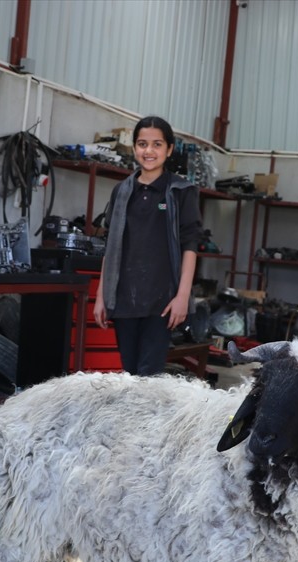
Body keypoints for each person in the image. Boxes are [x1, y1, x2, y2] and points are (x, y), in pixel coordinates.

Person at [94, 116, 202, 376]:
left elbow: (191, 244)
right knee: (130, 373)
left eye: (157, 144)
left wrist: (183, 297)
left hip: (161, 301)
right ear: (134, 148)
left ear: (169, 149)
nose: (149, 151)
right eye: (142, 144)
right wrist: (101, 296)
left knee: (149, 376)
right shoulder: (122, 191)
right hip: (124, 298)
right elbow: (112, 246)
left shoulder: (180, 191)